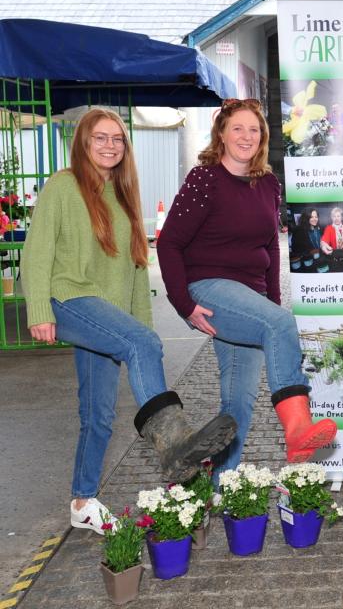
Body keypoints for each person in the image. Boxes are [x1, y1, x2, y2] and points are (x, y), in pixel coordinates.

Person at [21, 108, 237, 534]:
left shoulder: (123, 196)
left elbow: (137, 270)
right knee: (136, 351)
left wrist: (143, 330)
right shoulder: (63, 186)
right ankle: (174, 444)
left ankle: (83, 501)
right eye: (100, 138)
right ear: (83, 143)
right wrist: (39, 312)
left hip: (107, 315)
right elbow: (37, 252)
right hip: (68, 297)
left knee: (98, 414)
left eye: (117, 139)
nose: (109, 146)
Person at [157, 98, 337, 476]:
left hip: (249, 299)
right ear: (221, 134)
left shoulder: (268, 183)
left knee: (238, 403)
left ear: (262, 137)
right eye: (237, 128)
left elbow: (271, 246)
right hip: (208, 288)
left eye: (254, 130)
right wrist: (183, 304)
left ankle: (221, 491)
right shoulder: (204, 179)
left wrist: (270, 303)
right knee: (281, 324)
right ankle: (298, 427)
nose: (246, 136)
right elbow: (170, 242)